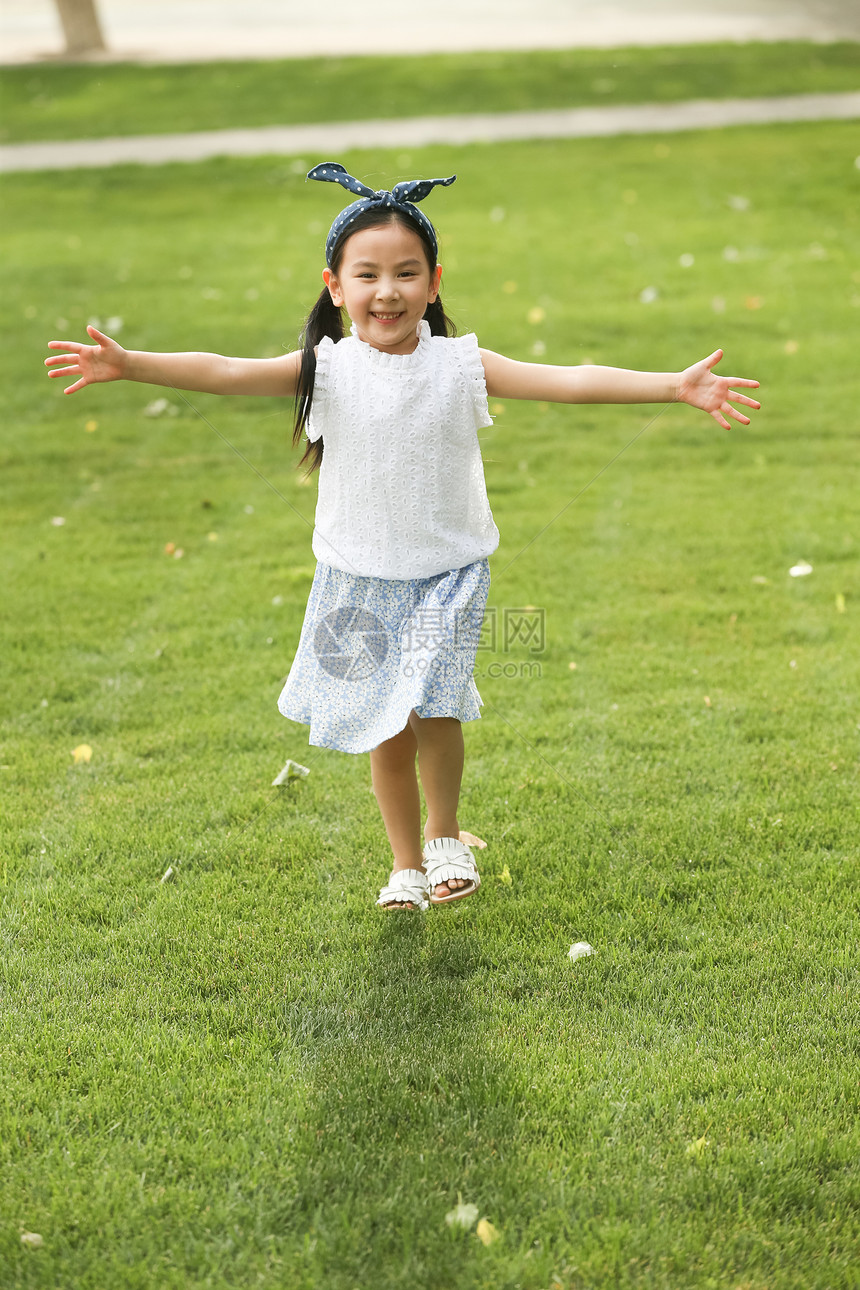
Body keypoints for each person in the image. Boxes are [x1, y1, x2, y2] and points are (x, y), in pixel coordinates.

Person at [45, 160, 760, 912]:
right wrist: (130, 365)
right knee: (385, 728)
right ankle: (405, 864)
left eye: (406, 273)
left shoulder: (460, 366)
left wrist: (671, 385)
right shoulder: (326, 370)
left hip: (447, 570)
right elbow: (225, 370)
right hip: (356, 577)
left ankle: (446, 834)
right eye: (369, 275)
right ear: (336, 286)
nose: (387, 291)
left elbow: (570, 378)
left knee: (433, 703)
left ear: (435, 281)